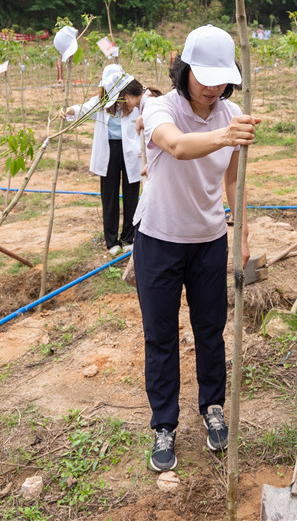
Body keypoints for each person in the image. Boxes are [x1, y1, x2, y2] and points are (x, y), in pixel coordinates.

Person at [132, 24, 259, 472]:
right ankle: (164, 425)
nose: (213, 87)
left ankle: (212, 407)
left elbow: (230, 177)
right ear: (183, 69)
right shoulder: (159, 106)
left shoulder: (232, 110)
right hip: (159, 239)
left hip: (209, 240)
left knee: (211, 330)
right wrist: (228, 135)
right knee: (161, 335)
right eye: (204, 76)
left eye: (222, 77)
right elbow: (177, 146)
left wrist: (239, 229)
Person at [64, 65, 159, 257]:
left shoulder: (131, 101)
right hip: (109, 150)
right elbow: (84, 108)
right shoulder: (102, 101)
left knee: (132, 194)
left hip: (131, 151)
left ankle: (128, 237)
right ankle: (111, 240)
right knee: (109, 196)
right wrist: (69, 111)